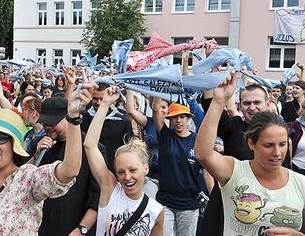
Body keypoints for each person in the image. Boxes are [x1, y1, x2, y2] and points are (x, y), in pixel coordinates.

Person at [0, 82, 90, 235]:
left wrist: (73, 118)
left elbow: (69, 170)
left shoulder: (27, 180)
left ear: (14, 146)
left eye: (1, 138)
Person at [194, 72, 305, 236]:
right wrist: (218, 101)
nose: (277, 152)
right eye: (268, 145)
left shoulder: (301, 183)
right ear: (251, 144)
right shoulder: (235, 172)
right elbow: (203, 154)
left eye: (282, 144)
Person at [84, 85, 164, 235]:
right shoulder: (110, 190)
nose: (127, 177)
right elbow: (90, 146)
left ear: (145, 168)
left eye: (133, 170)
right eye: (120, 172)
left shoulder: (156, 210)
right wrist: (105, 105)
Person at [28, 95, 107, 236]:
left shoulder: (91, 149)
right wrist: (35, 156)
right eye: (45, 122)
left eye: (53, 123)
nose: (48, 127)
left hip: (73, 228)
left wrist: (82, 229)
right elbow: (22, 182)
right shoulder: (37, 145)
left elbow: (98, 196)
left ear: (68, 118)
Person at [152, 99, 209, 236]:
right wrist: (158, 86)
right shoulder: (165, 136)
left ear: (188, 118)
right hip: (165, 201)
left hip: (189, 204)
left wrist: (214, 198)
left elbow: (207, 172)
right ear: (170, 119)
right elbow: (155, 110)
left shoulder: (197, 140)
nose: (178, 120)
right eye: (175, 117)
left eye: (182, 116)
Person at [80, 82, 134, 176]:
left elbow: (128, 150)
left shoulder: (122, 122)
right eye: (95, 99)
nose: (99, 103)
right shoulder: (82, 117)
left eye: (102, 99)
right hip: (85, 171)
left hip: (112, 172)